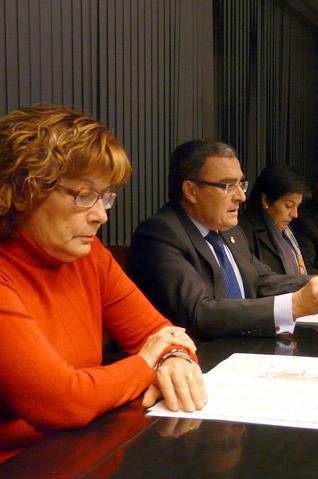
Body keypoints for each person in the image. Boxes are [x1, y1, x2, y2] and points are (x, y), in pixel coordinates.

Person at [0, 104, 206, 462]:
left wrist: (175, 358)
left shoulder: (88, 255)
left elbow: (162, 334)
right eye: (84, 195)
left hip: (82, 446)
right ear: (22, 193)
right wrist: (147, 363)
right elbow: (64, 401)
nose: (101, 215)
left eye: (105, 197)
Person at [127, 140, 318, 339]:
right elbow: (199, 313)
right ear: (191, 191)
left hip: (247, 349)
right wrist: (294, 305)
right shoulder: (160, 234)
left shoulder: (229, 231)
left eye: (241, 184)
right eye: (228, 186)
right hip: (199, 364)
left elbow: (261, 281)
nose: (241, 196)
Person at [239, 165, 311, 275]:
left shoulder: (286, 231)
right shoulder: (244, 231)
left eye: (297, 206)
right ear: (266, 200)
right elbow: (258, 279)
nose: (295, 214)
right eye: (289, 205)